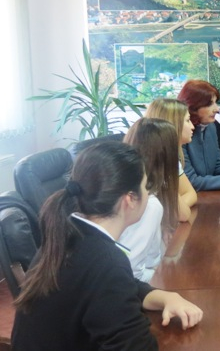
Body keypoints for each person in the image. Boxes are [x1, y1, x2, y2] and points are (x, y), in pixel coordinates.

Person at [12, 141, 202, 350]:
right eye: (145, 186)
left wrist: (165, 297)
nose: (148, 194)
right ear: (130, 199)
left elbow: (120, 286)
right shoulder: (105, 260)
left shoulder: (68, 234)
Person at [120, 118, 178, 282]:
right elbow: (132, 273)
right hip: (137, 287)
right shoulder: (148, 204)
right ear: (167, 156)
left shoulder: (127, 187)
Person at [144, 98, 196, 221]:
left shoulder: (171, 157)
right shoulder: (151, 160)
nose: (192, 126)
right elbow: (182, 215)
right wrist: (173, 208)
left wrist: (168, 209)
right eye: (187, 120)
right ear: (172, 123)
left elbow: (191, 193)